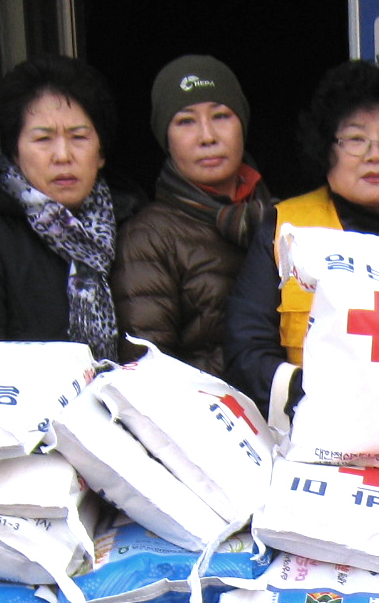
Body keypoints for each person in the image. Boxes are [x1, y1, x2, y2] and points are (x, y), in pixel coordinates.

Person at [224, 60, 379, 414]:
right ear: (327, 148)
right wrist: (318, 400)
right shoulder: (285, 229)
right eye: (356, 139)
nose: (376, 155)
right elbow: (247, 352)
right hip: (308, 433)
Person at [0, 54, 142, 356]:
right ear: (14, 153)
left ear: (101, 152)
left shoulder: (135, 228)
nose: (62, 155)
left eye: (79, 137)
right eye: (43, 139)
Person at [112, 55, 271, 374]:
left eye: (222, 116)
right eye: (186, 121)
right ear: (165, 139)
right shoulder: (148, 237)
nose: (208, 136)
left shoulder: (283, 219)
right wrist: (263, 361)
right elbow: (150, 375)